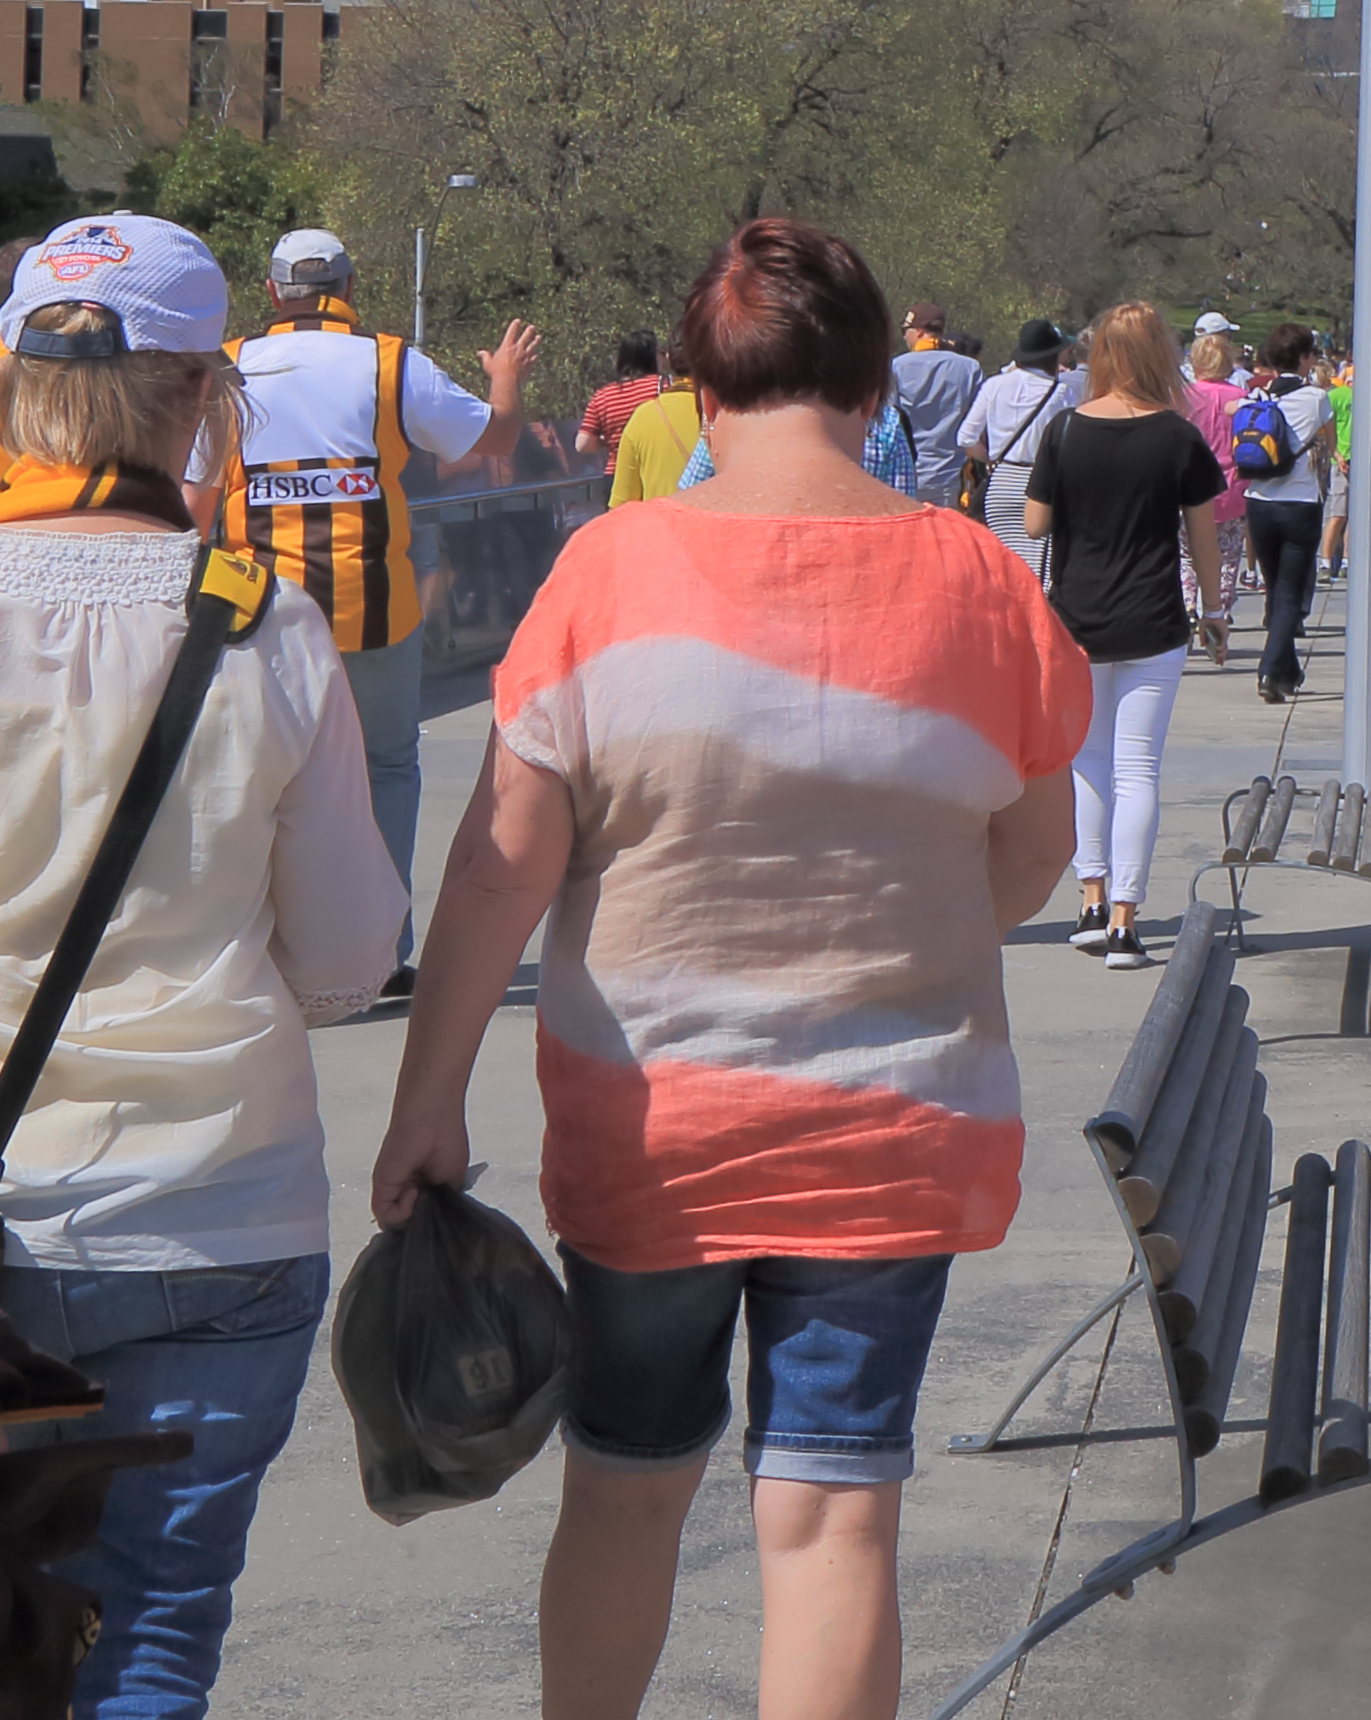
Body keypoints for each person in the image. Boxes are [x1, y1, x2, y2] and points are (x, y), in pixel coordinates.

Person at [374, 217, 1082, 1720]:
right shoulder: (978, 578)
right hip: (898, 1118)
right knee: (834, 1516)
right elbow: (1031, 854)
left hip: (654, 1126)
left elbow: (504, 862)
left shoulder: (607, 567)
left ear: (695, 384)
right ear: (877, 376)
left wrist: (425, 1094)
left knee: (627, 1487)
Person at [0, 214, 403, 1717]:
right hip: (213, 1208)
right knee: (156, 1631)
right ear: (203, 398)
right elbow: (353, 958)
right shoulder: (261, 621)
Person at [221, 224, 538, 976]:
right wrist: (505, 378)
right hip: (374, 608)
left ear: (273, 293)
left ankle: (265, 951)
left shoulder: (228, 369)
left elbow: (193, 489)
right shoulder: (390, 362)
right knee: (387, 767)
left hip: (259, 616)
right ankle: (382, 957)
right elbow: (491, 440)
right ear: (349, 289)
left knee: (263, 777)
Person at [1022, 303, 1225, 970]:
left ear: (1100, 354)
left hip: (1078, 620)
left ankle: (1088, 898)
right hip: (1155, 617)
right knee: (1139, 768)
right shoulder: (1179, 436)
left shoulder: (1064, 430)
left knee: (1088, 763)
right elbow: (1202, 541)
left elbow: (1032, 525)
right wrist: (1215, 611)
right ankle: (1125, 922)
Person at [1235, 326, 1337, 707]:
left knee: (1276, 587)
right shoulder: (1316, 398)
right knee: (1291, 592)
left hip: (1258, 499)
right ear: (1305, 359)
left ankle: (1286, 672)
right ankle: (1268, 666)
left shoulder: (1255, 396)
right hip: (1300, 502)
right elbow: (1329, 441)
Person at [961, 321, 1079, 573]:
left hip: (1002, 480)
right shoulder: (1061, 393)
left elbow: (966, 438)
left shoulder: (994, 385)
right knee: (1041, 566)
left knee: (1003, 566)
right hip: (1042, 482)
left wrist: (990, 459)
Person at [1180, 326, 1252, 670]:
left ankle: (1186, 607)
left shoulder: (1183, 398)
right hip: (1231, 489)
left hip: (1186, 490)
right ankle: (1216, 613)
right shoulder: (1240, 399)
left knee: (1185, 556)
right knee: (1226, 560)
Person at [885, 307, 979, 508]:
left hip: (906, 475)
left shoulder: (896, 367)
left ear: (918, 332)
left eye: (905, 331)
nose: (904, 337)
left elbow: (889, 421)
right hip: (951, 477)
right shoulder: (970, 368)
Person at [605, 370, 703, 506]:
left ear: (667, 360)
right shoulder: (728, 414)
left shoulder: (642, 417)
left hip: (663, 524)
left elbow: (621, 507)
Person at [575, 333, 664, 458]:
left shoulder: (602, 396)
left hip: (616, 472)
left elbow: (582, 445)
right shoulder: (665, 385)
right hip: (653, 468)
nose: (664, 357)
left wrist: (612, 441)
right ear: (651, 356)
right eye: (661, 352)